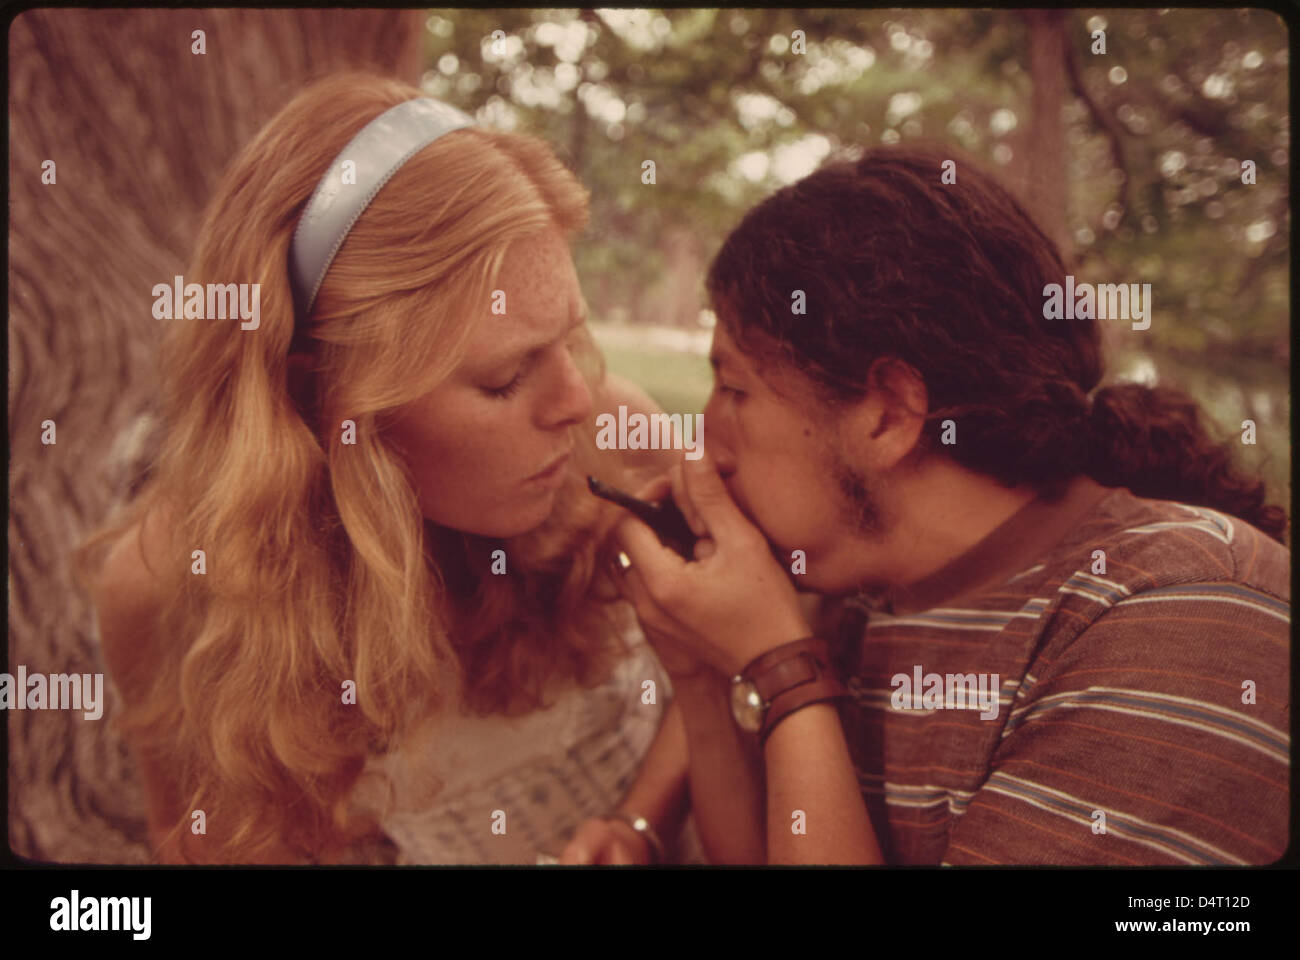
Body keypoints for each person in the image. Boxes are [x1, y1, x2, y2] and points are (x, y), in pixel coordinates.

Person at [581, 146, 1290, 865]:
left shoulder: (1186, 627)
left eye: (734, 390)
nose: (706, 444)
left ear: (888, 414)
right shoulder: (864, 601)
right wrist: (702, 670)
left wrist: (783, 668)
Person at [75, 72, 696, 865]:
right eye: (506, 378)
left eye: (571, 338)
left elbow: (736, 655)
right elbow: (191, 836)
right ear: (321, 397)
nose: (574, 400)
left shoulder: (617, 432)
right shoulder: (166, 587)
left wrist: (639, 825)